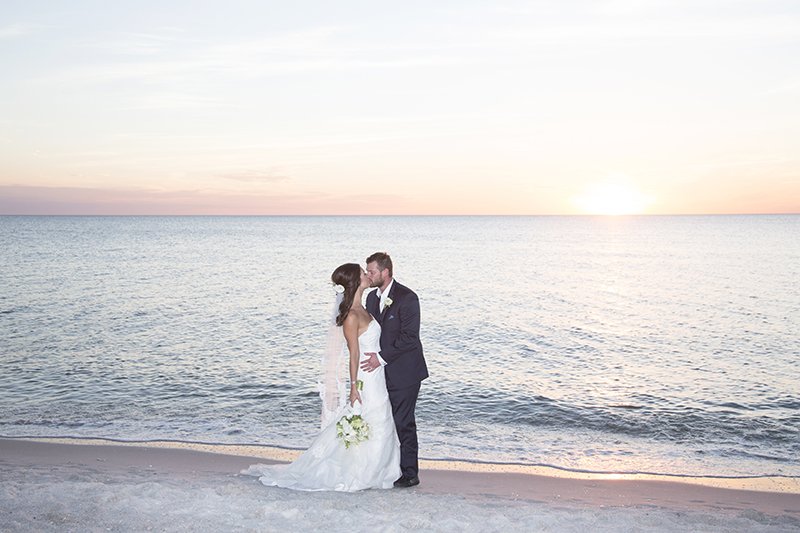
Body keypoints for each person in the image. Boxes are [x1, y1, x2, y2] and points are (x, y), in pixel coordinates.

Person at [242, 263, 400, 491]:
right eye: (363, 273)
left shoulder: (365, 308)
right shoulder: (352, 317)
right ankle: (365, 472)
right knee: (373, 418)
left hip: (377, 374)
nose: (367, 275)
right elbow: (354, 354)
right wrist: (355, 388)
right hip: (367, 377)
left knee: (380, 418)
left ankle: (378, 471)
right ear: (356, 281)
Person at [361, 252, 428, 488]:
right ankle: (387, 466)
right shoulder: (370, 298)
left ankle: (410, 473)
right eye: (367, 271)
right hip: (379, 373)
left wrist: (380, 358)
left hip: (405, 372)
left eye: (372, 271)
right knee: (384, 420)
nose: (368, 275)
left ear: (385, 272)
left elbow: (410, 338)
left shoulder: (408, 298)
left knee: (403, 421)